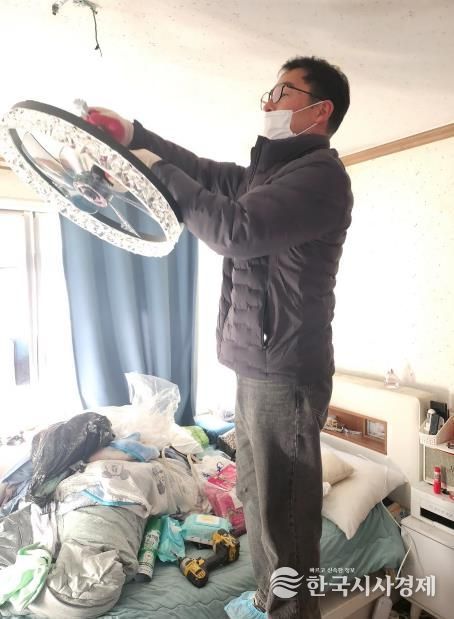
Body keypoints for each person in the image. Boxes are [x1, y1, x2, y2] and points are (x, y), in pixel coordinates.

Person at [87, 55, 353, 619]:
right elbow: (203, 173)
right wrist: (135, 138)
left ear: (320, 110)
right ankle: (269, 599)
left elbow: (235, 230)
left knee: (283, 516)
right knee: (254, 495)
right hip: (256, 364)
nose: (268, 101)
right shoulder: (268, 175)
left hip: (286, 373)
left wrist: (159, 168)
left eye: (284, 91)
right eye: (270, 91)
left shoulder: (321, 178)